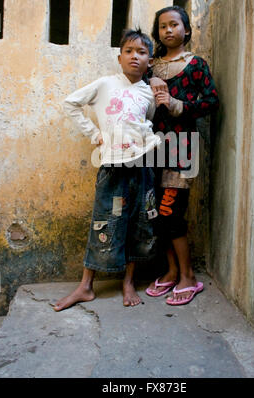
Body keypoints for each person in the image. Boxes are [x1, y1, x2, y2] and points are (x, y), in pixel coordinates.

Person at [53, 28, 160, 311]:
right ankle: (86, 285)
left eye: (142, 52)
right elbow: (71, 103)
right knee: (104, 220)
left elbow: (145, 122)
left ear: (150, 60)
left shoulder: (149, 93)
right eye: (129, 51)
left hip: (142, 167)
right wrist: (94, 133)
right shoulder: (104, 84)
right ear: (119, 57)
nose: (135, 57)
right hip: (113, 168)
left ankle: (128, 282)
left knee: (139, 223)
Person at [146, 6, 219, 305]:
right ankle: (172, 270)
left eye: (174, 25)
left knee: (171, 213)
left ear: (186, 30)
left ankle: (189, 276)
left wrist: (178, 105)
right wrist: (148, 80)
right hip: (151, 147)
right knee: (155, 214)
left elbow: (212, 101)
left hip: (182, 147)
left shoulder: (195, 65)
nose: (168, 31)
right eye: (162, 26)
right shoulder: (150, 66)